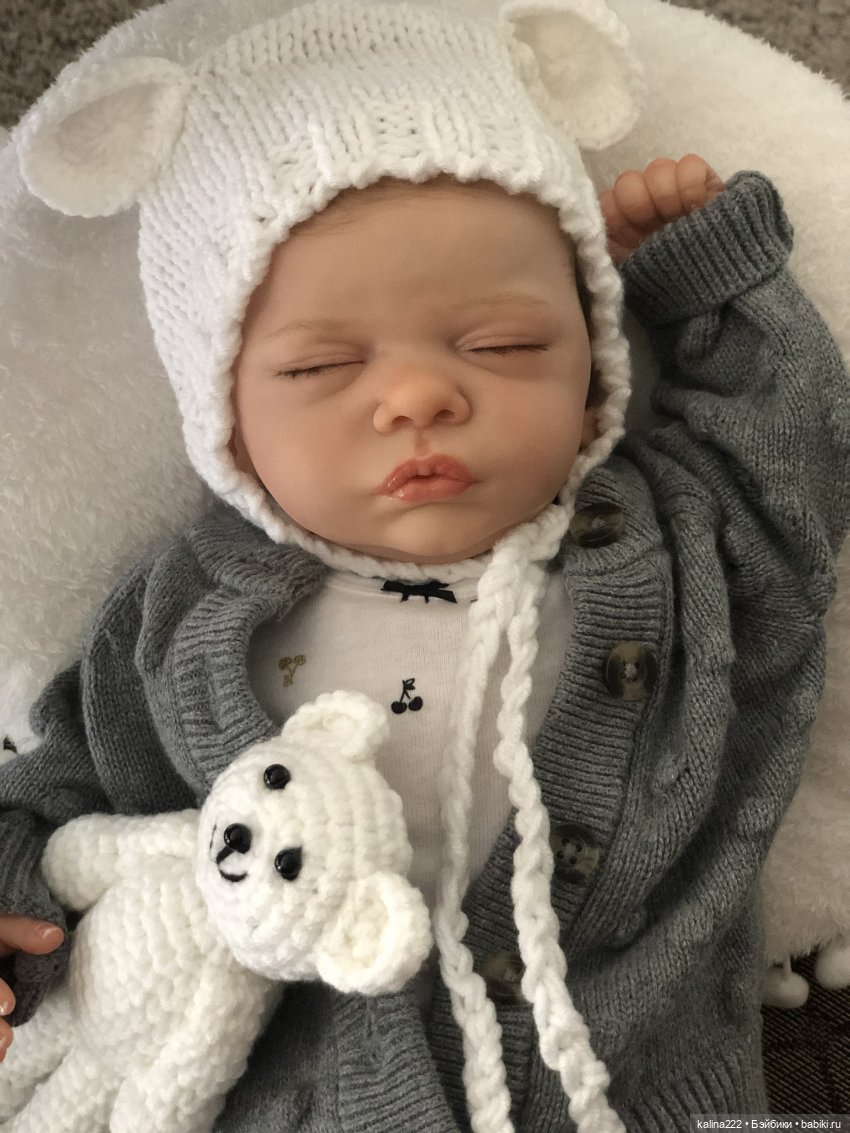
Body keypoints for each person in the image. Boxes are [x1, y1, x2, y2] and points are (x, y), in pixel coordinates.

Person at [0, 0, 848, 1129]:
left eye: (502, 345)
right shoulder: (185, 617)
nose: (416, 397)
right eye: (321, 366)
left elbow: (792, 465)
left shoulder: (681, 542)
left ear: (595, 371)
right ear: (228, 422)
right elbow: (68, 779)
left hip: (644, 1086)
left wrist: (706, 283)